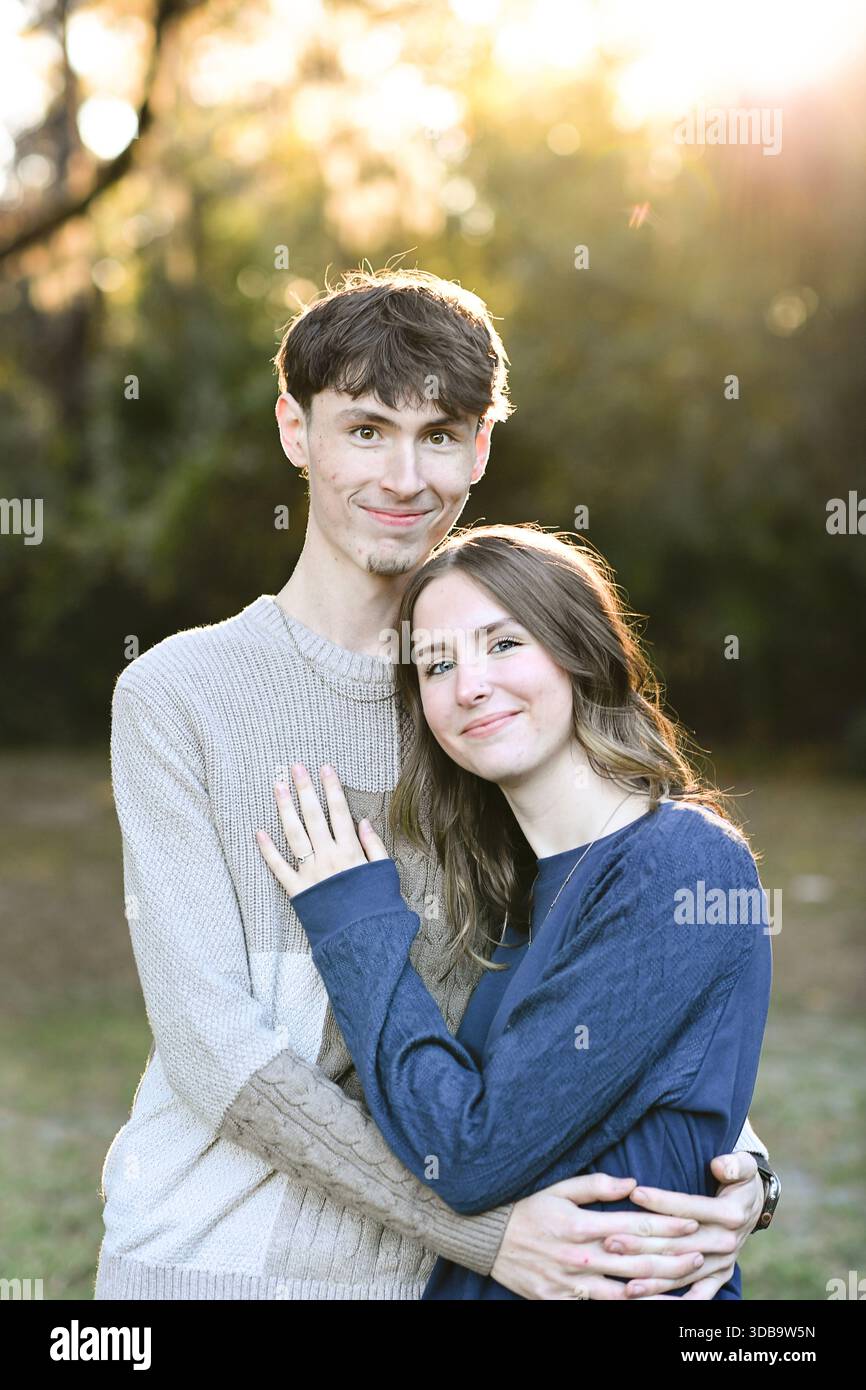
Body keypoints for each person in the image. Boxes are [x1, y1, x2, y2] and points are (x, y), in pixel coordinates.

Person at [95, 268, 773, 1302]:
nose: (404, 476)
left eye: (440, 434)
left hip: (430, 1281)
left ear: (480, 448)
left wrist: (735, 1169)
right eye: (365, 429)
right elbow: (212, 1050)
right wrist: (487, 1233)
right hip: (218, 1261)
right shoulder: (178, 693)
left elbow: (589, 989)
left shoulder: (500, 704)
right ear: (295, 430)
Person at [257, 522, 775, 1300]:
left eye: (503, 645)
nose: (470, 685)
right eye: (438, 664)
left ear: (579, 651)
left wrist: (352, 923)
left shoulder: (679, 863)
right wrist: (758, 1174)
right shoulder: (510, 893)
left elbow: (472, 1153)